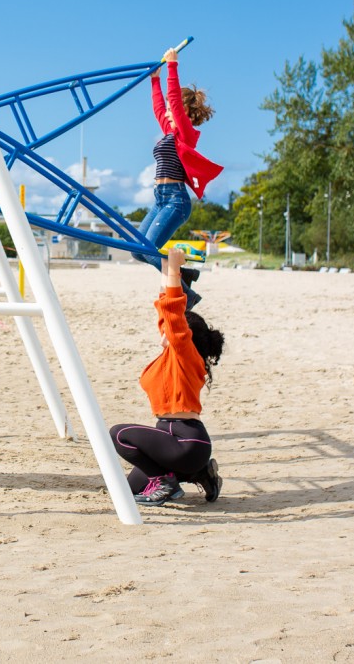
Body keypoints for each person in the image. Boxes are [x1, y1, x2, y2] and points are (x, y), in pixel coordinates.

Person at [109, 247, 224, 506]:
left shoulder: (184, 354)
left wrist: (174, 268)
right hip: (176, 447)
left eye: (174, 329)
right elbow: (165, 313)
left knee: (117, 434)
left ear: (185, 335)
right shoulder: (173, 357)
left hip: (185, 441)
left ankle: (166, 482)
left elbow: (172, 311)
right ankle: (200, 473)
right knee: (127, 490)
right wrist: (164, 268)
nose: (164, 329)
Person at [133, 45, 222, 309]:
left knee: (149, 248)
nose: (169, 112)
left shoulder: (185, 133)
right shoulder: (169, 131)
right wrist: (154, 79)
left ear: (182, 110)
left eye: (176, 108)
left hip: (175, 201)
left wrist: (173, 66)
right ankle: (185, 275)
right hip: (159, 199)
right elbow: (160, 107)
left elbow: (171, 101)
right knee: (137, 250)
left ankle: (186, 294)